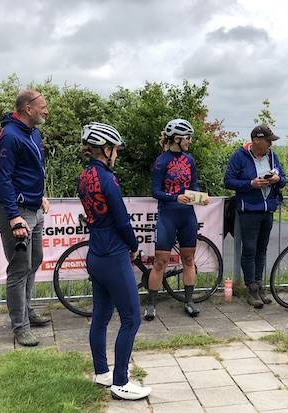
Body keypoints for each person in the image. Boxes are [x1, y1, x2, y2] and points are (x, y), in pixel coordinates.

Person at [78, 122, 151, 400]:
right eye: (116, 150)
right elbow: (121, 218)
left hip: (95, 253)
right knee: (131, 318)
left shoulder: (84, 176)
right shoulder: (108, 179)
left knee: (101, 316)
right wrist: (134, 246)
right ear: (106, 149)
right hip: (114, 255)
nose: (117, 154)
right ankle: (121, 382)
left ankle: (102, 373)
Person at [0, 89, 51, 347]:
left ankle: (27, 311)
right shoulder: (10, 137)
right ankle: (20, 327)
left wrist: (41, 196)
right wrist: (14, 218)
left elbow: (31, 171)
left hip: (34, 208)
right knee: (18, 269)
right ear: (28, 109)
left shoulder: (33, 133)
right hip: (15, 212)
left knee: (34, 260)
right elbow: (3, 179)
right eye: (43, 106)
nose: (46, 111)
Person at [144, 119, 209, 321]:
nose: (190, 141)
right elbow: (155, 191)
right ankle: (151, 305)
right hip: (167, 215)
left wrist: (199, 197)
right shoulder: (161, 160)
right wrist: (175, 197)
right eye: (188, 137)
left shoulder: (189, 160)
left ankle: (189, 301)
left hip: (187, 215)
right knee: (160, 263)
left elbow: (194, 185)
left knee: (188, 260)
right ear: (177, 138)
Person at [224, 125, 287, 308]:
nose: (270, 144)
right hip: (249, 210)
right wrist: (251, 183)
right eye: (268, 141)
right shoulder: (239, 156)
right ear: (256, 140)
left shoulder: (272, 156)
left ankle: (259, 285)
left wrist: (277, 180)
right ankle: (251, 288)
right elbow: (228, 181)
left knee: (262, 250)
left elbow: (283, 178)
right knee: (249, 249)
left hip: (268, 210)